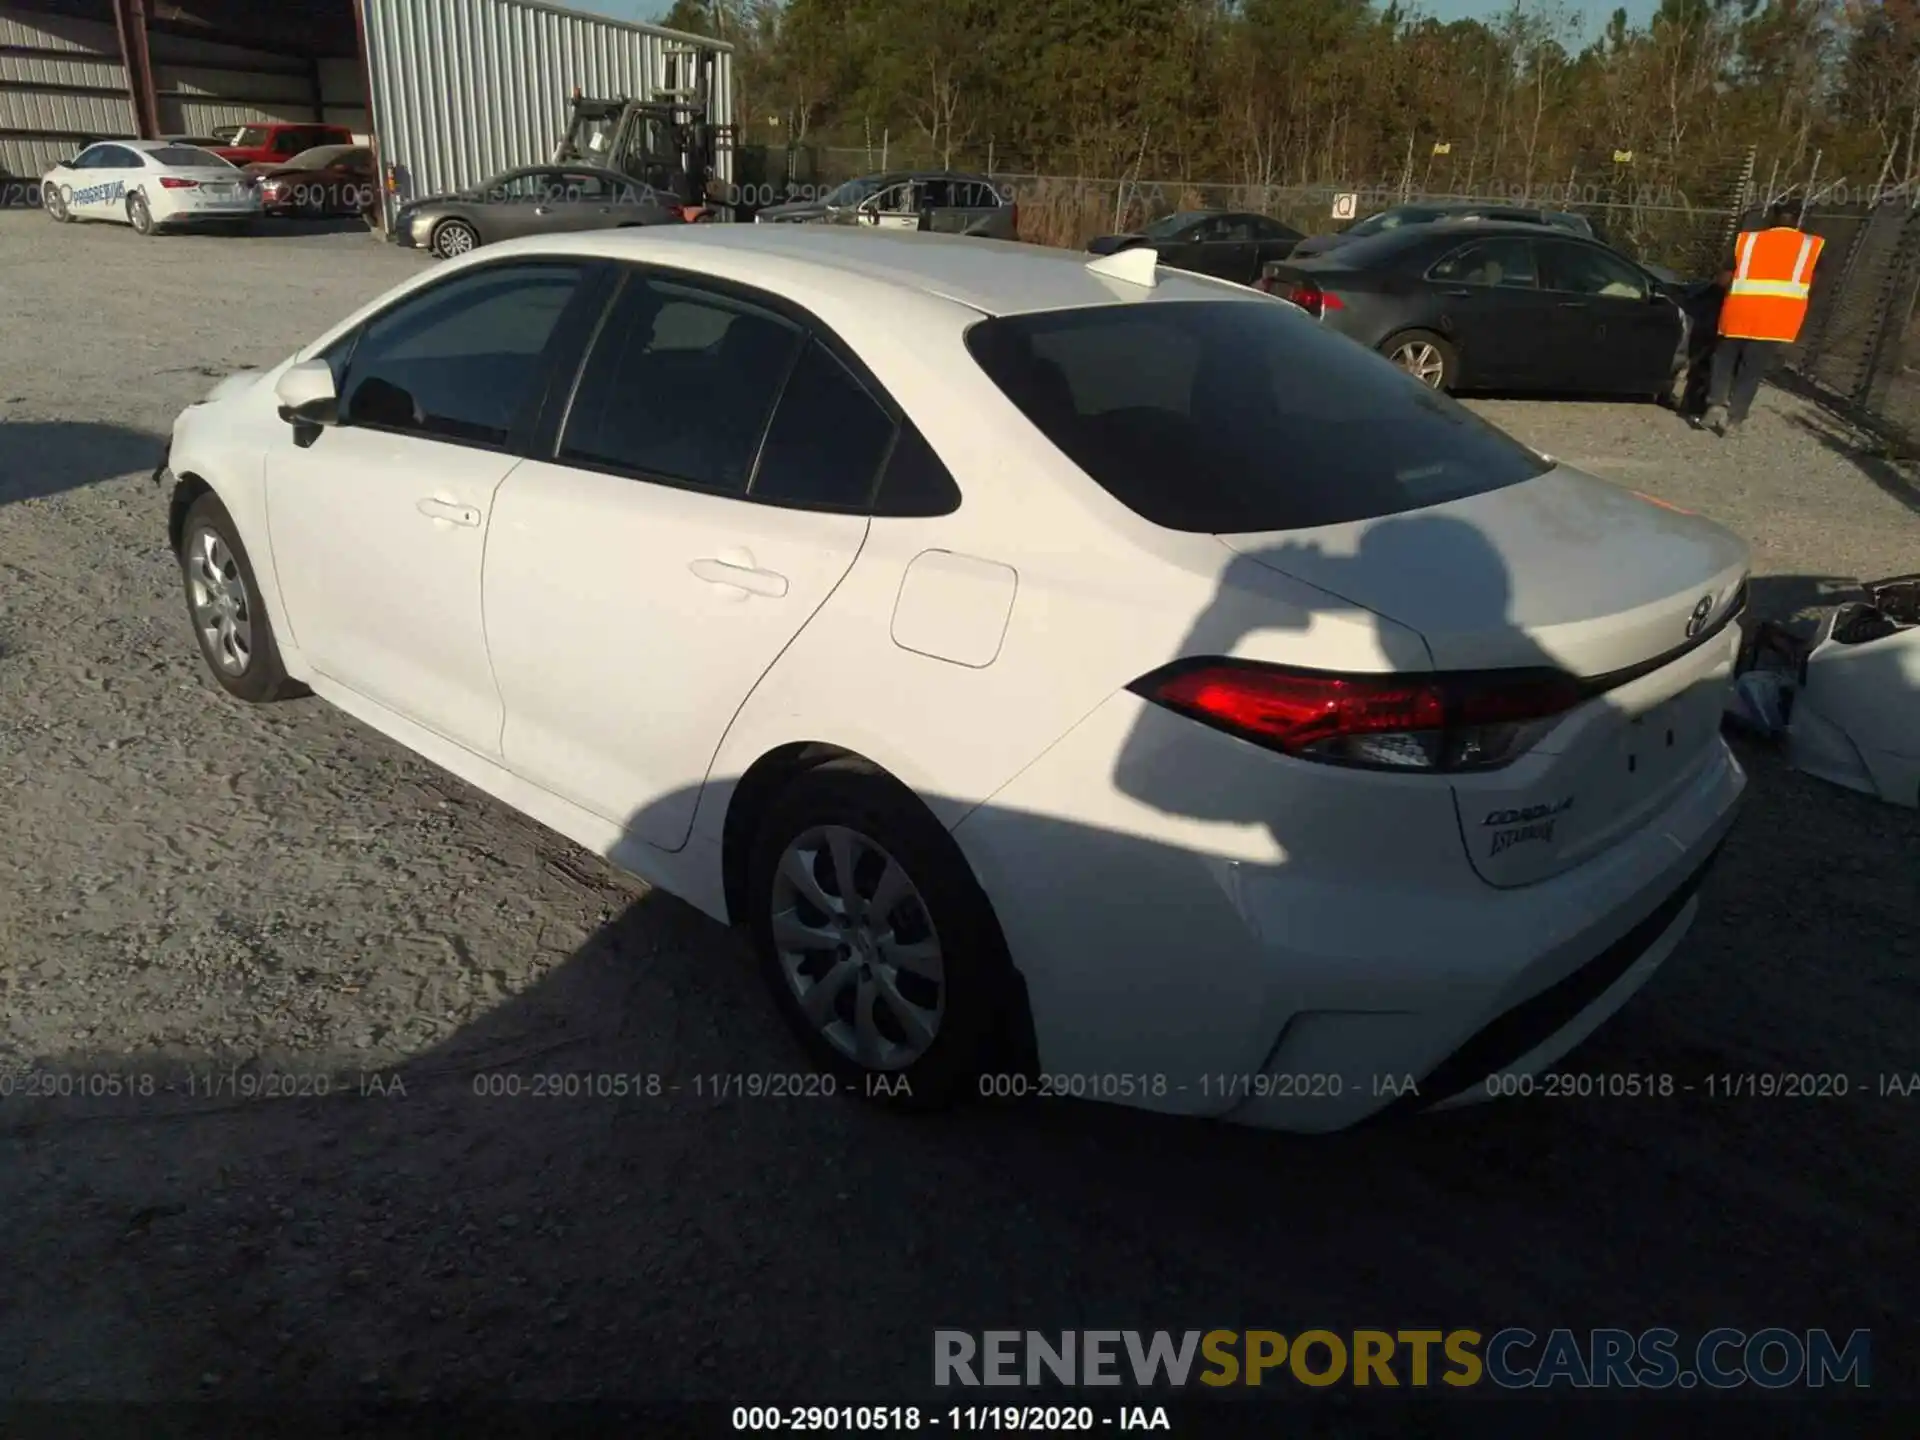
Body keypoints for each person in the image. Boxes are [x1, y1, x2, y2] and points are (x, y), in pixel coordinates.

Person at [1702, 199, 1823, 437]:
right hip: (1775, 321)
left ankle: (1716, 403)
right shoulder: (1811, 247)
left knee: (1724, 359)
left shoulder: (1748, 241)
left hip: (1738, 313)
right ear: (1799, 219)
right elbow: (1813, 284)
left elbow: (1723, 280)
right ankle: (1735, 420)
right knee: (1752, 370)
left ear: (1772, 217)